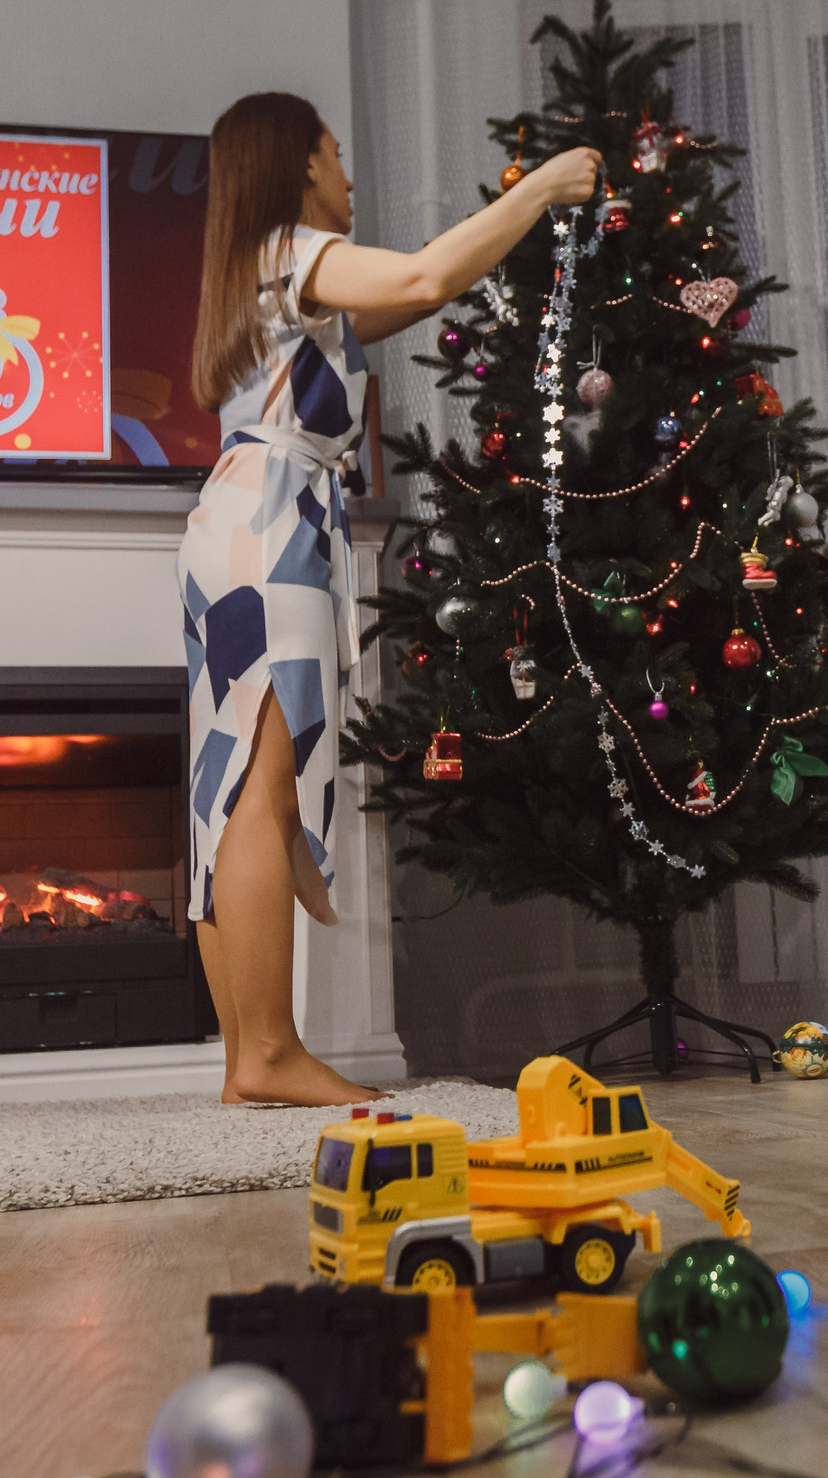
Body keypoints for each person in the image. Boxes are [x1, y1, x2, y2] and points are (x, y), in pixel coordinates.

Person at [183, 93, 599, 1105]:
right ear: (295, 163)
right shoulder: (290, 249)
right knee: (259, 788)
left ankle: (250, 1055)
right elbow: (423, 271)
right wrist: (544, 186)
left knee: (232, 782)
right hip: (272, 522)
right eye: (333, 151)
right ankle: (269, 1053)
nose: (347, 171)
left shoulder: (265, 276)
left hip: (240, 521)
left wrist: (512, 231)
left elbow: (416, 297)